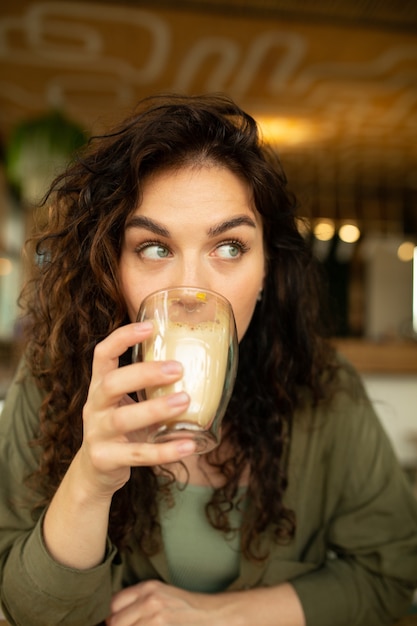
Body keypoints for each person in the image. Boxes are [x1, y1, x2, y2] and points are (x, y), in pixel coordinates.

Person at [0, 93, 416, 626]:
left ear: (267, 269)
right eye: (154, 247)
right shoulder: (51, 378)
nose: (191, 290)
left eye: (229, 247)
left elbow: (390, 574)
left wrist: (221, 614)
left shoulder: (326, 391)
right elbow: (26, 610)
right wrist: (90, 479)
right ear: (112, 267)